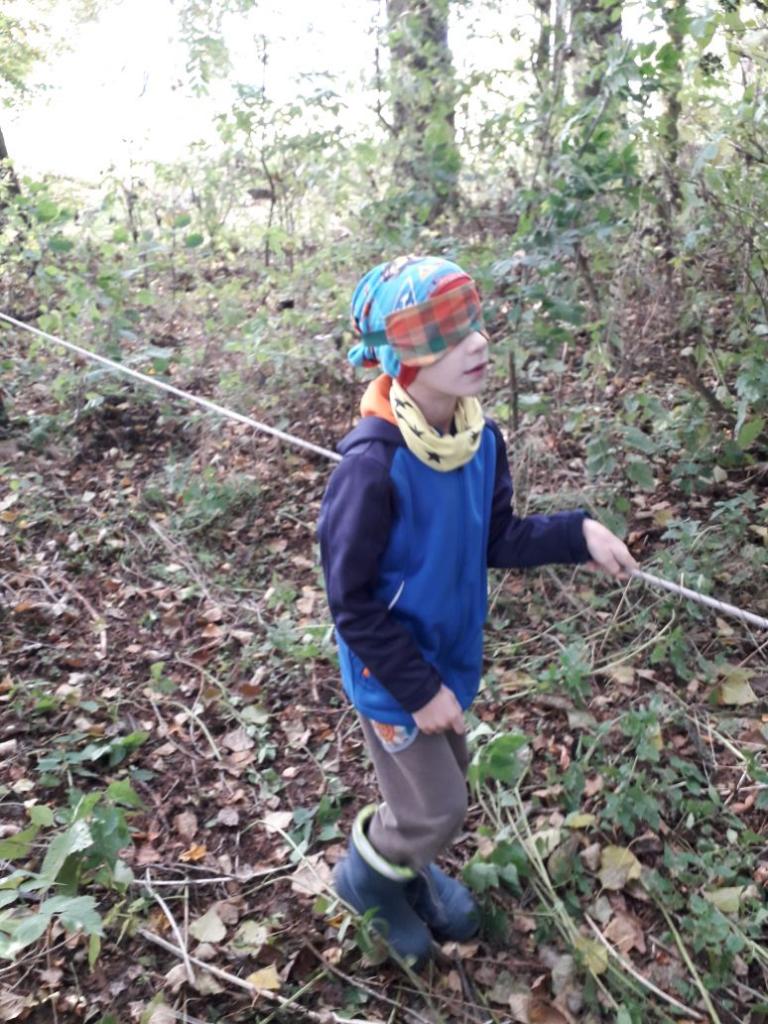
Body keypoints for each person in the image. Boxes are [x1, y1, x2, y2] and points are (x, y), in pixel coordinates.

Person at [318, 255, 636, 966]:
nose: (479, 343)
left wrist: (578, 534)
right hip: (391, 673)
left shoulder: (478, 439)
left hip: (447, 655)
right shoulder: (371, 467)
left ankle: (406, 864)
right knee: (438, 806)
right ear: (401, 358)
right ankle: (368, 879)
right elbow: (351, 603)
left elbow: (498, 538)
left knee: (445, 779)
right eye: (449, 336)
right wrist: (417, 689)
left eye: (475, 324)